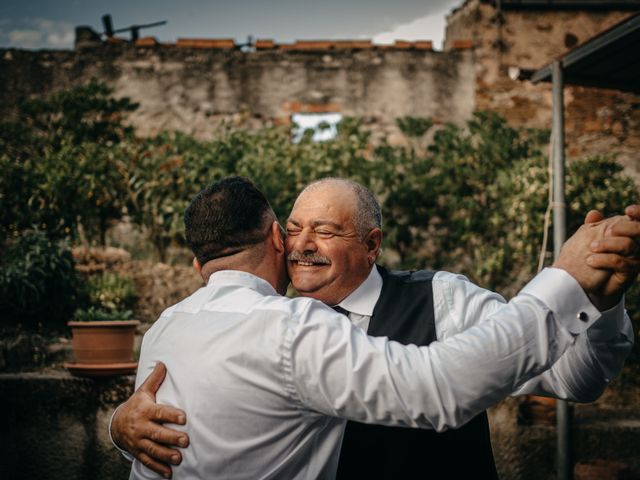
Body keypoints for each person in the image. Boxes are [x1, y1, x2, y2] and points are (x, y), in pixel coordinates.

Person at [112, 177, 638, 479]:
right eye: (294, 230)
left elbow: (579, 380)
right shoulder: (267, 319)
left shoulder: (443, 299)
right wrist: (123, 426)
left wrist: (597, 301)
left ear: (372, 243)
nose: (302, 244)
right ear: (276, 239)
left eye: (326, 230)